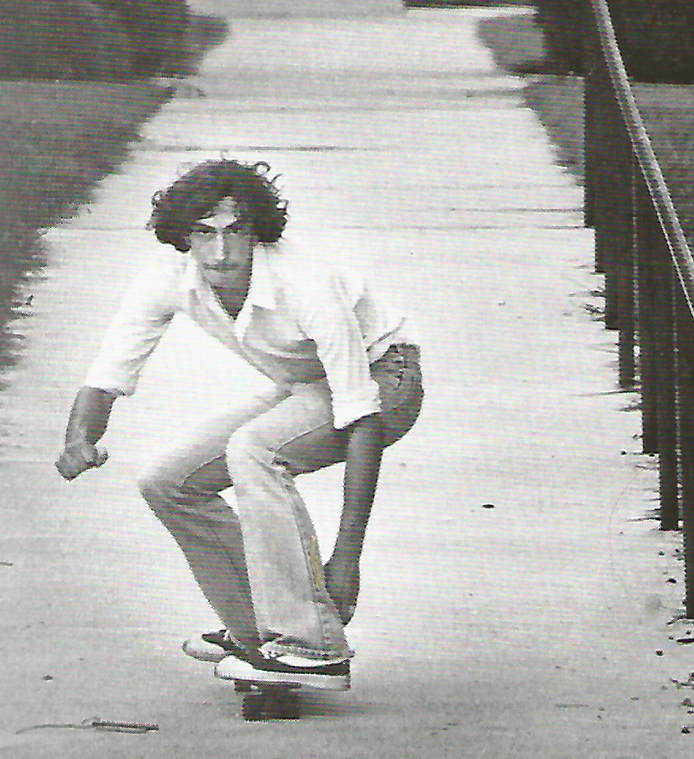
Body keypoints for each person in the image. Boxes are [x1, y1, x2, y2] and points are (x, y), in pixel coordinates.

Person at [55, 158, 423, 691]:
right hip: (307, 383)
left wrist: (346, 559)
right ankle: (259, 635)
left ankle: (311, 645)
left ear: (259, 231)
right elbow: (110, 370)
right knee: (167, 482)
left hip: (384, 381)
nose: (221, 252)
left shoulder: (305, 282)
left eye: (236, 232)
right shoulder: (167, 276)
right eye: (204, 233)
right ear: (182, 236)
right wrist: (80, 437)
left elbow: (361, 417)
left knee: (255, 449)